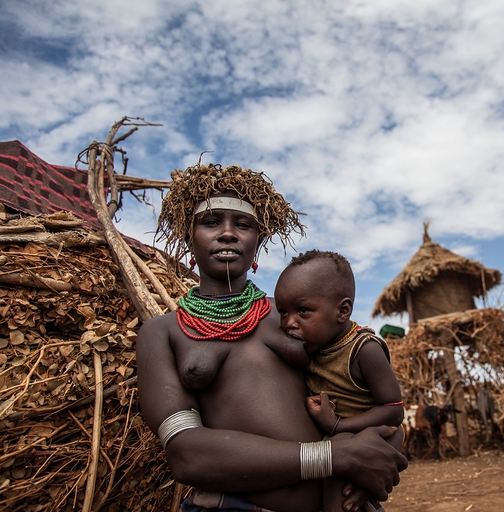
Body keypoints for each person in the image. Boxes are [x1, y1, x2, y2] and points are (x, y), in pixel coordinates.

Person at [136, 163, 407, 512]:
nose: (228, 234)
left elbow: (366, 388)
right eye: (211, 222)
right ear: (189, 236)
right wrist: (332, 457)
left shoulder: (293, 317)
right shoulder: (163, 333)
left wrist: (386, 441)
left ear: (258, 241)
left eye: (243, 225)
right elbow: (187, 455)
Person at [274, 250, 405, 512]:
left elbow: (393, 409)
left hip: (371, 437)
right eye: (283, 312)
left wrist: (337, 425)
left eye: (303, 310)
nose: (289, 322)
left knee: (338, 461)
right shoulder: (310, 348)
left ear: (342, 310)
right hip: (338, 442)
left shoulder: (364, 350)